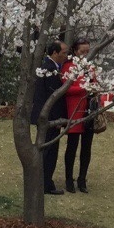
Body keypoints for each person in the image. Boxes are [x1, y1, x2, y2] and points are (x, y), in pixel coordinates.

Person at [32, 41, 68, 194]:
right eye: (64, 52)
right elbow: (53, 97)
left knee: (47, 150)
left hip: (44, 117)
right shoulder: (50, 70)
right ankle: (45, 184)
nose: (66, 55)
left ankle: (44, 182)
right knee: (49, 152)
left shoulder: (46, 67)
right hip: (49, 118)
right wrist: (57, 119)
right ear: (55, 53)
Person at [62, 37, 97, 193]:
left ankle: (82, 178)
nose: (85, 54)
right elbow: (66, 89)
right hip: (74, 110)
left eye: (87, 51)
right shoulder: (69, 67)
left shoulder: (90, 67)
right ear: (75, 51)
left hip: (88, 110)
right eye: (82, 51)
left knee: (86, 147)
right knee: (72, 146)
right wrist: (84, 88)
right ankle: (69, 179)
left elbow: (96, 84)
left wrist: (93, 87)